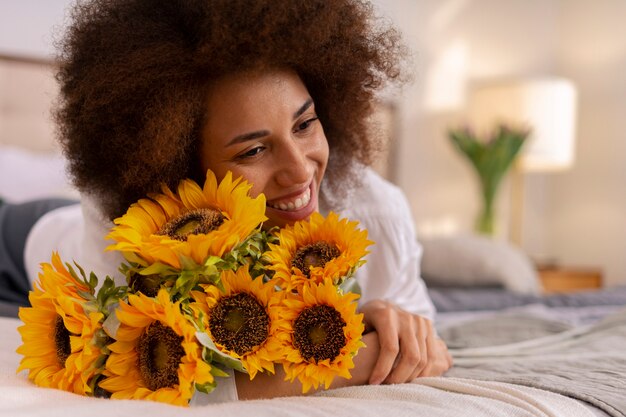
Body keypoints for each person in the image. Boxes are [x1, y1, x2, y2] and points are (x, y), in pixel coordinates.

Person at [16, 0, 451, 401]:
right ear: (181, 166)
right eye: (253, 151)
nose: (300, 171)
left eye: (305, 124)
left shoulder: (377, 213)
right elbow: (149, 378)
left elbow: (423, 342)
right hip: (20, 246)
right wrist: (354, 359)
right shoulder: (126, 217)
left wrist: (384, 315)